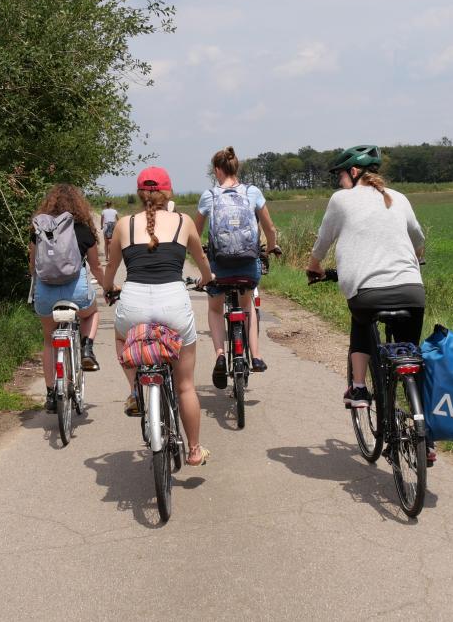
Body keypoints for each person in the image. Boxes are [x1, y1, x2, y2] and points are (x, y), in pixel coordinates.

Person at [306, 146, 427, 421]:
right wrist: (416, 262)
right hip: (412, 291)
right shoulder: (399, 198)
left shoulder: (341, 199)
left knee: (361, 318)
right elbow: (418, 240)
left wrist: (314, 268)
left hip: (368, 296)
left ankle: (359, 388)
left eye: (340, 175)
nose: (339, 181)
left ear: (354, 171)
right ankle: (425, 434)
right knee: (411, 355)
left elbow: (323, 241)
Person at [104, 166, 214, 466]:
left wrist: (108, 287)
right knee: (186, 386)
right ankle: (194, 450)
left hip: (134, 303)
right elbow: (201, 261)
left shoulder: (124, 224)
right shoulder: (183, 221)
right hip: (173, 305)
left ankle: (136, 390)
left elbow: (111, 269)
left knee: (119, 336)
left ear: (139, 194)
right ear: (169, 193)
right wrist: (206, 278)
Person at [194, 147, 279, 385]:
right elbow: (270, 228)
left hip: (219, 267)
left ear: (217, 170)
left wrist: (199, 253)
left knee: (214, 309)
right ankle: (257, 356)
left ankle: (220, 355)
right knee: (249, 307)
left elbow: (195, 232)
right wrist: (272, 246)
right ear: (236, 168)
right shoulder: (253, 192)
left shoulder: (209, 195)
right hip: (247, 265)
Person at [30, 184, 107, 411]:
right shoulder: (82, 228)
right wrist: (107, 288)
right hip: (76, 292)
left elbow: (32, 265)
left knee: (48, 339)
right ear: (78, 203)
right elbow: (96, 266)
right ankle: (86, 348)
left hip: (45, 293)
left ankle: (51, 394)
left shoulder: (39, 228)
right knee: (91, 313)